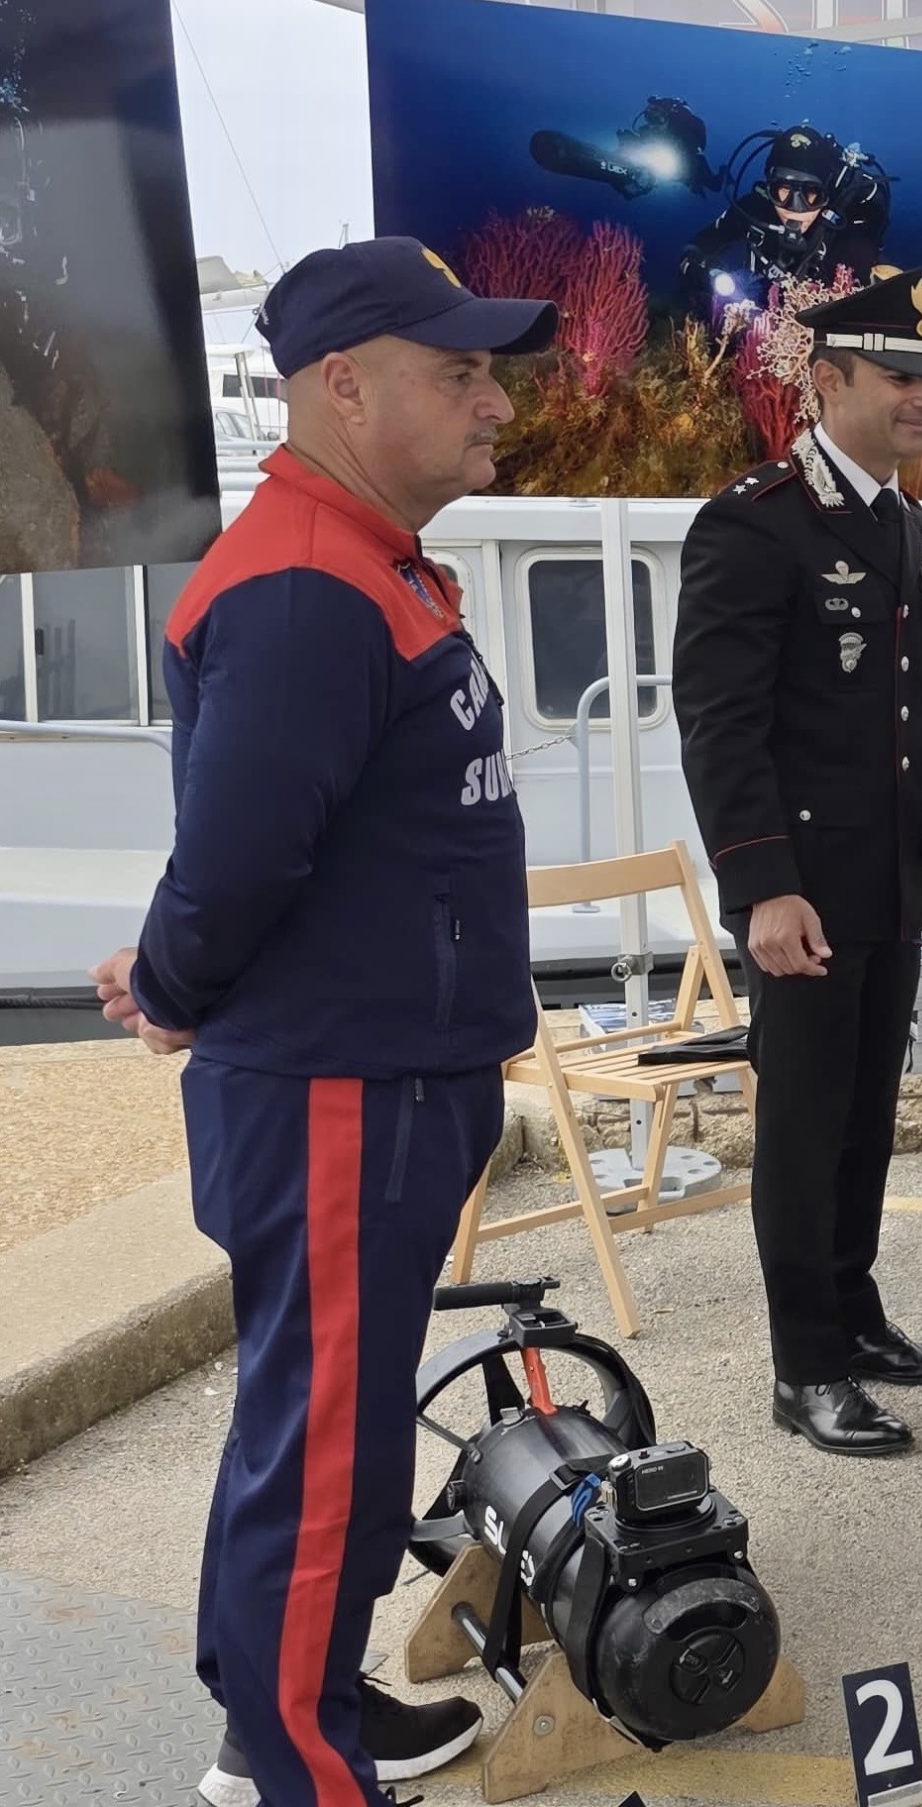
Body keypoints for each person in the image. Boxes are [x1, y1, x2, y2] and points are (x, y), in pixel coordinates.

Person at [82, 237, 557, 1807]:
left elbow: (277, 840)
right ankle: (291, 1765)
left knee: (331, 1421)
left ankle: (295, 1707)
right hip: (343, 1090)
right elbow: (238, 853)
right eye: (459, 374)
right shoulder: (305, 581)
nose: (496, 402)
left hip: (384, 1077)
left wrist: (168, 971)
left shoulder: (363, 555)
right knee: (327, 1434)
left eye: (491, 370)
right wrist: (170, 981)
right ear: (342, 387)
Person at [672, 266, 922, 1458]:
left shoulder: (909, 524)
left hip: (889, 881)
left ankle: (855, 1318)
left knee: (866, 1117)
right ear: (827, 380)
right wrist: (763, 884)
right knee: (806, 1127)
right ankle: (804, 1365)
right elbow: (720, 722)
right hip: (802, 889)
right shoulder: (755, 520)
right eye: (901, 376)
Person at [679, 124, 892, 301]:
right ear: (769, 188)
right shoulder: (755, 209)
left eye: (811, 193)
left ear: (826, 192)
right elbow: (700, 243)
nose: (794, 208)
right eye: (783, 191)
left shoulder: (846, 229)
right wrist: (701, 273)